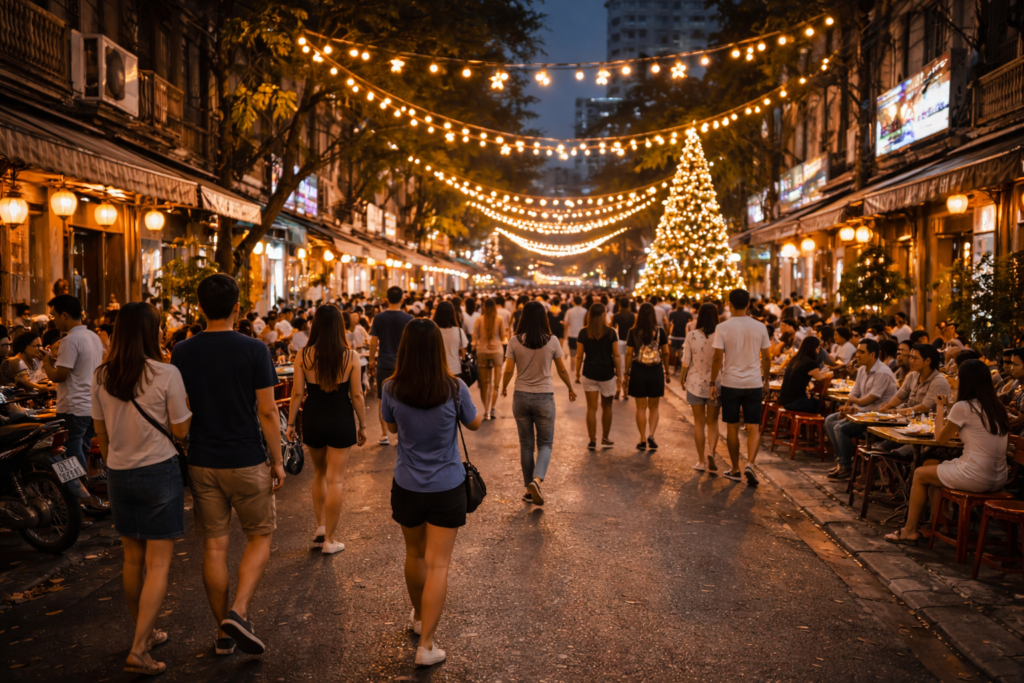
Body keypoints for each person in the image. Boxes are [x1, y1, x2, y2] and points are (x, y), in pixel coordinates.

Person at [171, 274, 285, 657]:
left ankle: (223, 635)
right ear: (238, 307)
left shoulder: (182, 351)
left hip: (202, 460)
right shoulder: (254, 350)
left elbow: (180, 407)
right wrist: (278, 461)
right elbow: (268, 412)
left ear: (200, 307)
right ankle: (238, 611)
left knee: (215, 548)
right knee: (260, 536)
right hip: (247, 458)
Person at [91, 303, 191, 676]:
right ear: (153, 332)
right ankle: (138, 649)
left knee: (131, 560)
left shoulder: (102, 375)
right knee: (159, 563)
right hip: (158, 471)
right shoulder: (166, 373)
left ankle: (144, 635)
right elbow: (181, 432)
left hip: (118, 472)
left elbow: (99, 432)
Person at [380, 319, 482, 667]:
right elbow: (474, 423)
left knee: (415, 554)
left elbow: (391, 427)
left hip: (407, 484)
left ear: (405, 349)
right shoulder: (455, 388)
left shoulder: (391, 388)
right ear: (439, 349)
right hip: (447, 485)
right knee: (439, 564)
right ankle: (426, 645)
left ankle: (419, 617)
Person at [885, 360, 1010, 545]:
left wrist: (941, 406)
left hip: (976, 476)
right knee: (929, 467)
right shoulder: (996, 406)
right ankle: (939, 525)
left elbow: (941, 438)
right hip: (999, 477)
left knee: (919, 474)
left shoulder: (965, 406)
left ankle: (909, 530)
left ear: (966, 381)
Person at [286, 305, 367, 554]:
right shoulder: (350, 356)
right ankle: (330, 540)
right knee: (337, 480)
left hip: (313, 416)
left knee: (319, 473)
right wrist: (363, 424)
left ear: (315, 325)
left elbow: (298, 392)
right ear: (339, 326)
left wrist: (290, 424)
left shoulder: (303, 354)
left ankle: (321, 526)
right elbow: (356, 394)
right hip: (340, 417)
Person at [501, 301, 576, 505]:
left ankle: (528, 489)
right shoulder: (552, 341)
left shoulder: (515, 341)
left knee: (526, 445)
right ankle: (536, 480)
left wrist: (504, 386)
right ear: (543, 318)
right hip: (544, 397)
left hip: (521, 396)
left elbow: (508, 370)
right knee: (545, 444)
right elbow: (561, 369)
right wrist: (570, 387)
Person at [42, 295, 105, 505]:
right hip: (91, 407)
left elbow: (59, 376)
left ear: (65, 315)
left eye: (54, 316)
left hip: (73, 408)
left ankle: (82, 498)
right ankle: (84, 499)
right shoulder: (94, 337)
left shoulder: (69, 340)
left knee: (68, 454)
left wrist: (45, 362)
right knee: (81, 450)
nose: (54, 321)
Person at [709, 288, 771, 486]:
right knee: (754, 426)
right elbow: (767, 357)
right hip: (754, 383)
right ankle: (750, 464)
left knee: (732, 427)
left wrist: (712, 382)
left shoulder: (723, 327)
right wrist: (767, 380)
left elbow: (718, 357)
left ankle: (735, 469)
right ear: (749, 304)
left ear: (729, 303)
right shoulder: (760, 327)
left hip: (731, 383)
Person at [823, 339, 900, 480]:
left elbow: (868, 400)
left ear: (872, 354)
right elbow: (855, 392)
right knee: (830, 420)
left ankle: (846, 466)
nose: (857, 355)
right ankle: (841, 461)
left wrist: (852, 405)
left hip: (876, 418)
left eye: (861, 352)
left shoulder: (882, 372)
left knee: (840, 428)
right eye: (857, 351)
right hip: (861, 413)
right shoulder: (862, 370)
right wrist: (846, 408)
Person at [369, 287, 415, 445]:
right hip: (403, 365)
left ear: (386, 299)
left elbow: (373, 341)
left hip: (384, 363)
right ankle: (402, 435)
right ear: (402, 300)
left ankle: (384, 434)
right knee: (403, 398)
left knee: (383, 399)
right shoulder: (409, 318)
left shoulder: (379, 318)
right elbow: (412, 343)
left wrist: (370, 361)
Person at [680, 303, 721, 472]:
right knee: (713, 422)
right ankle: (711, 452)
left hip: (695, 382)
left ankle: (701, 461)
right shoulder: (720, 335)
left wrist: (682, 378)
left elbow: (686, 361)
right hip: (716, 383)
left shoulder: (692, 335)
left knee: (699, 422)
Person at [624, 303, 670, 451]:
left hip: (638, 370)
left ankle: (642, 439)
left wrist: (626, 372)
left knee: (641, 407)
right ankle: (651, 434)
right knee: (654, 407)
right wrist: (667, 371)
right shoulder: (660, 331)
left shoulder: (633, 331)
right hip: (655, 370)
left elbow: (629, 353)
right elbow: (666, 352)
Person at [575, 303, 621, 450]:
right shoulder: (611, 332)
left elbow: (579, 356)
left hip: (589, 372)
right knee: (607, 406)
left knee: (591, 408)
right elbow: (616, 355)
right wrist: (619, 373)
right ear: (603, 315)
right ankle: (605, 438)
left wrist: (577, 372)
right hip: (607, 373)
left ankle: (592, 440)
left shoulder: (583, 332)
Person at [778, 337, 833, 414]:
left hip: (784, 401)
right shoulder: (811, 363)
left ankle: (803, 425)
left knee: (814, 401)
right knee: (825, 404)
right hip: (797, 403)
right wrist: (830, 375)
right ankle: (817, 425)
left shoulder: (794, 360)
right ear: (815, 348)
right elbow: (820, 378)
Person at [473, 299, 507, 420]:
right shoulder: (499, 319)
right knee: (496, 384)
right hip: (497, 351)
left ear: (483, 307)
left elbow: (474, 337)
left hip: (482, 351)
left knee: (484, 384)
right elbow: (503, 336)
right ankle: (492, 409)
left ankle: (486, 409)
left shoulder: (479, 320)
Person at [433, 301, 468, 380]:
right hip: (455, 370)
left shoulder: (432, 331)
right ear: (452, 314)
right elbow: (463, 352)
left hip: (436, 370)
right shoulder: (459, 331)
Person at [611, 297, 636, 400]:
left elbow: (611, 328)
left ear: (619, 305)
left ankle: (617, 390)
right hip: (630, 342)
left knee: (619, 366)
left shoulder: (615, 316)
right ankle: (625, 392)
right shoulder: (633, 316)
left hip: (619, 341)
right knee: (627, 367)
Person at [346, 312, 370, 392]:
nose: (355, 318)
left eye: (356, 316)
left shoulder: (360, 328)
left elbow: (367, 339)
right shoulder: (347, 331)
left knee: (360, 382)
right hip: (353, 359)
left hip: (361, 358)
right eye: (353, 317)